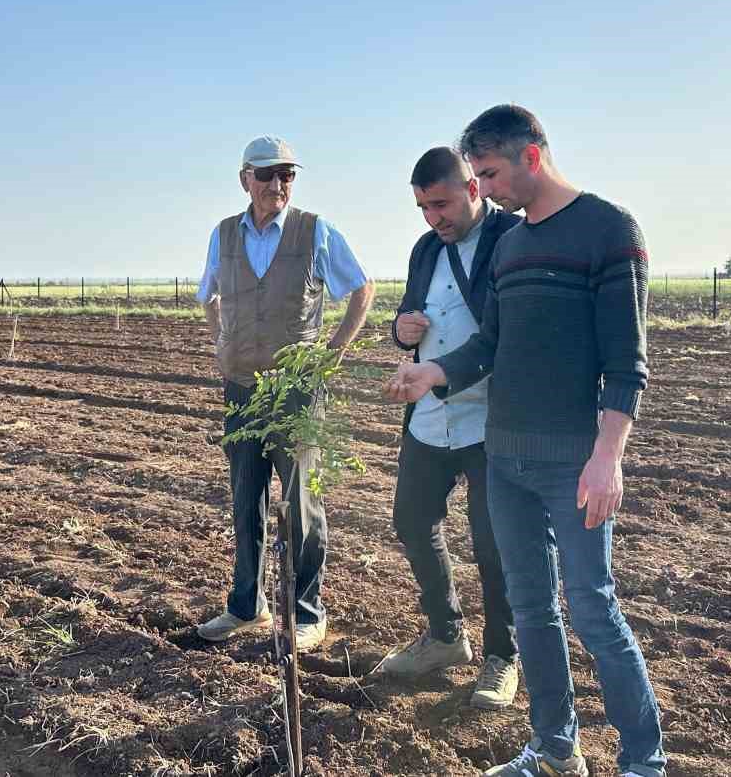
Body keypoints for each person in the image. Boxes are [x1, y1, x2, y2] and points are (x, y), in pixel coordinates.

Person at [386, 106, 666, 777]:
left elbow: (626, 363)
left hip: (572, 459)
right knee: (532, 608)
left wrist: (608, 458)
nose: (486, 187)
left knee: (594, 610)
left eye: (488, 172)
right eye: (476, 173)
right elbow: (492, 343)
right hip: (504, 455)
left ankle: (642, 763)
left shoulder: (607, 230)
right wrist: (435, 370)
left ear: (530, 157)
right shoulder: (511, 247)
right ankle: (553, 749)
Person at [195, 135, 375, 652]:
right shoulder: (224, 234)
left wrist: (334, 350)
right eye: (268, 174)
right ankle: (246, 606)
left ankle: (306, 612)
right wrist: (222, 340)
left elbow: (360, 290)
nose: (278, 185)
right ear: (244, 179)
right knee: (245, 497)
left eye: (287, 175)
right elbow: (208, 294)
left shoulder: (315, 232)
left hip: (296, 390)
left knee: (300, 500)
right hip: (241, 387)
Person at [379, 146, 522, 709]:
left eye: (440, 204)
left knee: (494, 542)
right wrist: (402, 329)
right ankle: (445, 636)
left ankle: (503, 657)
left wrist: (437, 367)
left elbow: (504, 332)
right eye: (422, 208)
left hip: (494, 418)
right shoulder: (424, 248)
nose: (432, 218)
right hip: (431, 414)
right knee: (412, 520)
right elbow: (412, 315)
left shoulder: (510, 239)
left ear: (473, 187)